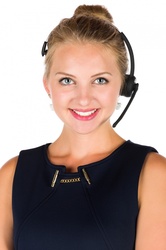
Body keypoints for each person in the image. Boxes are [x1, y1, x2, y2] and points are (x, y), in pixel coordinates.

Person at [0, 4, 166, 250]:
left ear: (123, 85)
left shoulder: (152, 175)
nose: (84, 98)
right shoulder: (12, 175)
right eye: (67, 80)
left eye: (100, 80)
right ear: (48, 85)